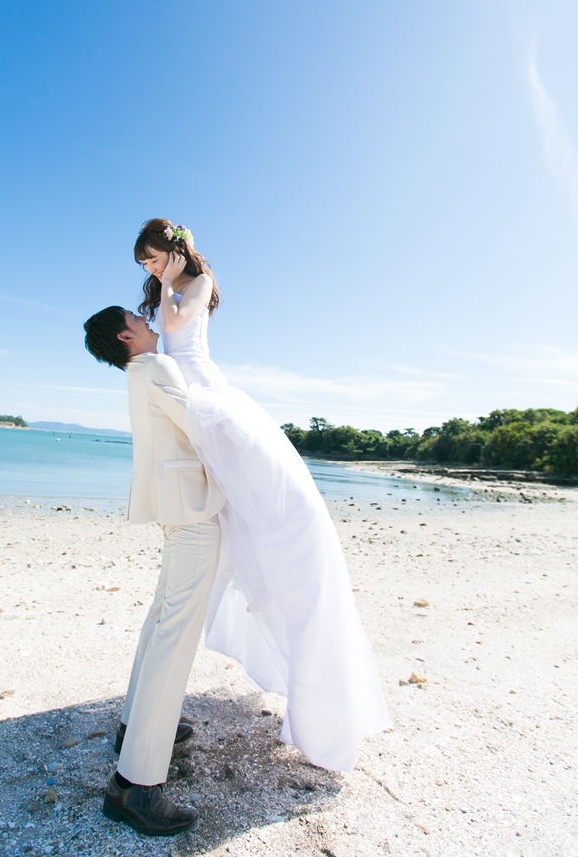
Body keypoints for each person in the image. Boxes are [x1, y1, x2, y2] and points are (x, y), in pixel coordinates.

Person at [133, 218, 391, 773]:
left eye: (154, 259)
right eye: (146, 265)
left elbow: (175, 324)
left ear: (174, 252)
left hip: (204, 394)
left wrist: (170, 282)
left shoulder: (196, 283)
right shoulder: (170, 286)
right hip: (187, 395)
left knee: (267, 505)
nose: (151, 270)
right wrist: (163, 284)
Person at [83, 305, 225, 837]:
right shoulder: (159, 367)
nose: (147, 320)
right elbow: (204, 425)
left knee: (163, 616)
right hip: (191, 513)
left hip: (173, 508)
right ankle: (135, 786)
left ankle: (132, 729)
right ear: (126, 336)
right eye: (137, 320)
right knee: (175, 636)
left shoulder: (139, 372)